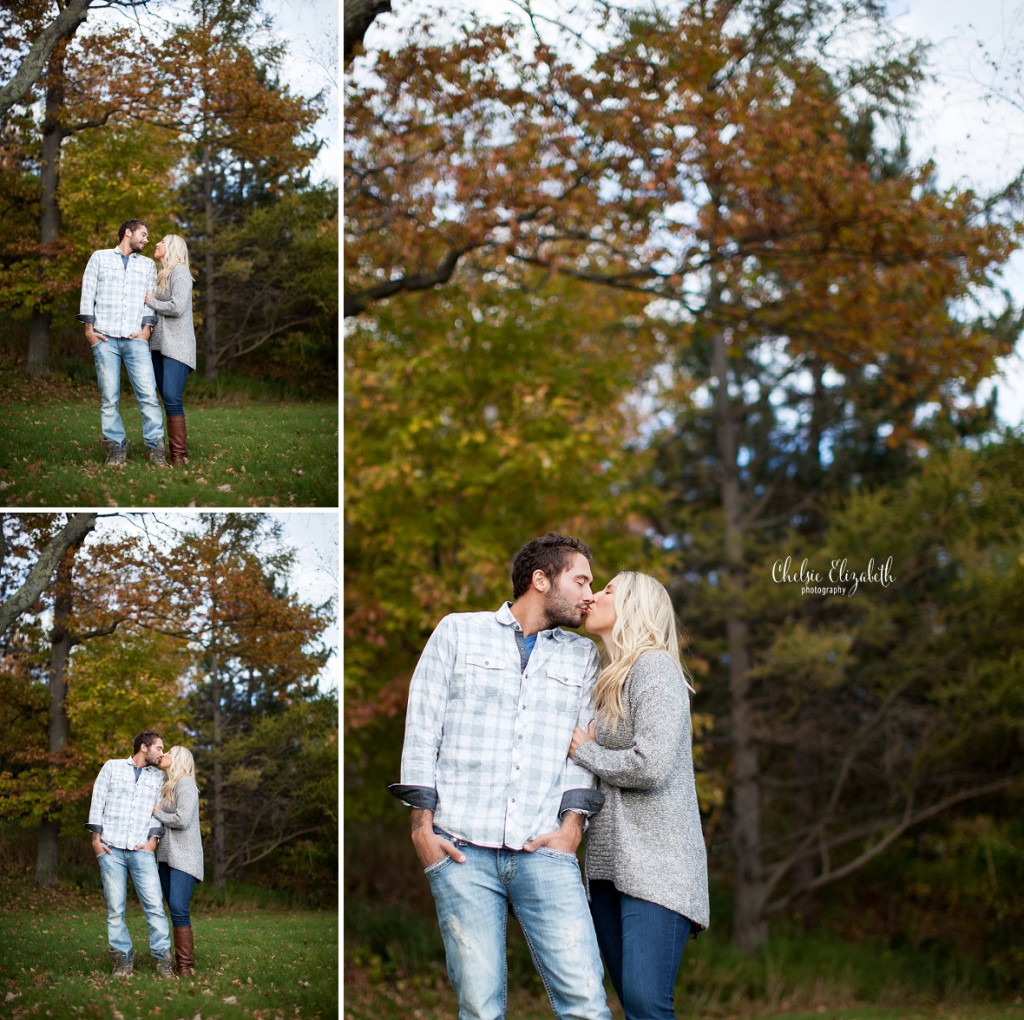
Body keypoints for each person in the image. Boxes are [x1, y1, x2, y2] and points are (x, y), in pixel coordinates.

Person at [390, 532, 613, 1020]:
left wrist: (572, 828)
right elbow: (422, 729)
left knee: (586, 1005)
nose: (589, 594)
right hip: (460, 849)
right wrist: (422, 831)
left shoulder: (583, 657)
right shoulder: (456, 632)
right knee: (480, 1008)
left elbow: (583, 753)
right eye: (581, 580)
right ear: (540, 579)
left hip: (546, 852)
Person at [568, 572, 710, 1020]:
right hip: (609, 866)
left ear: (634, 606)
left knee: (648, 1004)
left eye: (608, 590)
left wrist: (586, 751)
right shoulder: (610, 679)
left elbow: (650, 765)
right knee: (633, 1005)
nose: (593, 596)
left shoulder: (655, 669)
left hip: (658, 865)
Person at [85, 730, 174, 978]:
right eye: (159, 748)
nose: (162, 752)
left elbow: (159, 810)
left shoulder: (158, 777)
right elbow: (98, 800)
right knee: (115, 908)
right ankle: (122, 959)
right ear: (144, 747)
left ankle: (163, 959)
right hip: (110, 848)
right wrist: (95, 839)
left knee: (155, 905)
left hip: (141, 850)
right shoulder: (112, 767)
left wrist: (152, 841)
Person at [78, 219, 166, 467]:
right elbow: (88, 292)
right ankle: (116, 448)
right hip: (104, 337)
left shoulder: (148, 265)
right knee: (109, 398)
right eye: (144, 234)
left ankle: (156, 448)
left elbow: (152, 299)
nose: (147, 240)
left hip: (135, 339)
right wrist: (89, 330)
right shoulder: (100, 257)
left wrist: (147, 329)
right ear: (128, 233)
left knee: (148, 395)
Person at [145, 235, 197, 465]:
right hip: (158, 345)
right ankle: (168, 450)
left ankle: (178, 456)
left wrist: (151, 301)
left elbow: (177, 307)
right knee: (165, 397)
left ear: (172, 248)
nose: (156, 244)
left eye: (162, 241)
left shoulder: (181, 273)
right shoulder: (161, 275)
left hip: (178, 345)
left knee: (171, 396)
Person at [153, 744, 204, 976]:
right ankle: (178, 962)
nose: (163, 754)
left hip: (185, 857)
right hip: (165, 856)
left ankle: (185, 966)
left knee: (178, 907)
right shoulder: (166, 786)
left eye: (169, 752)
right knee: (174, 909)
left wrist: (157, 813)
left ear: (179, 759)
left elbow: (183, 819)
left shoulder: (186, 783)